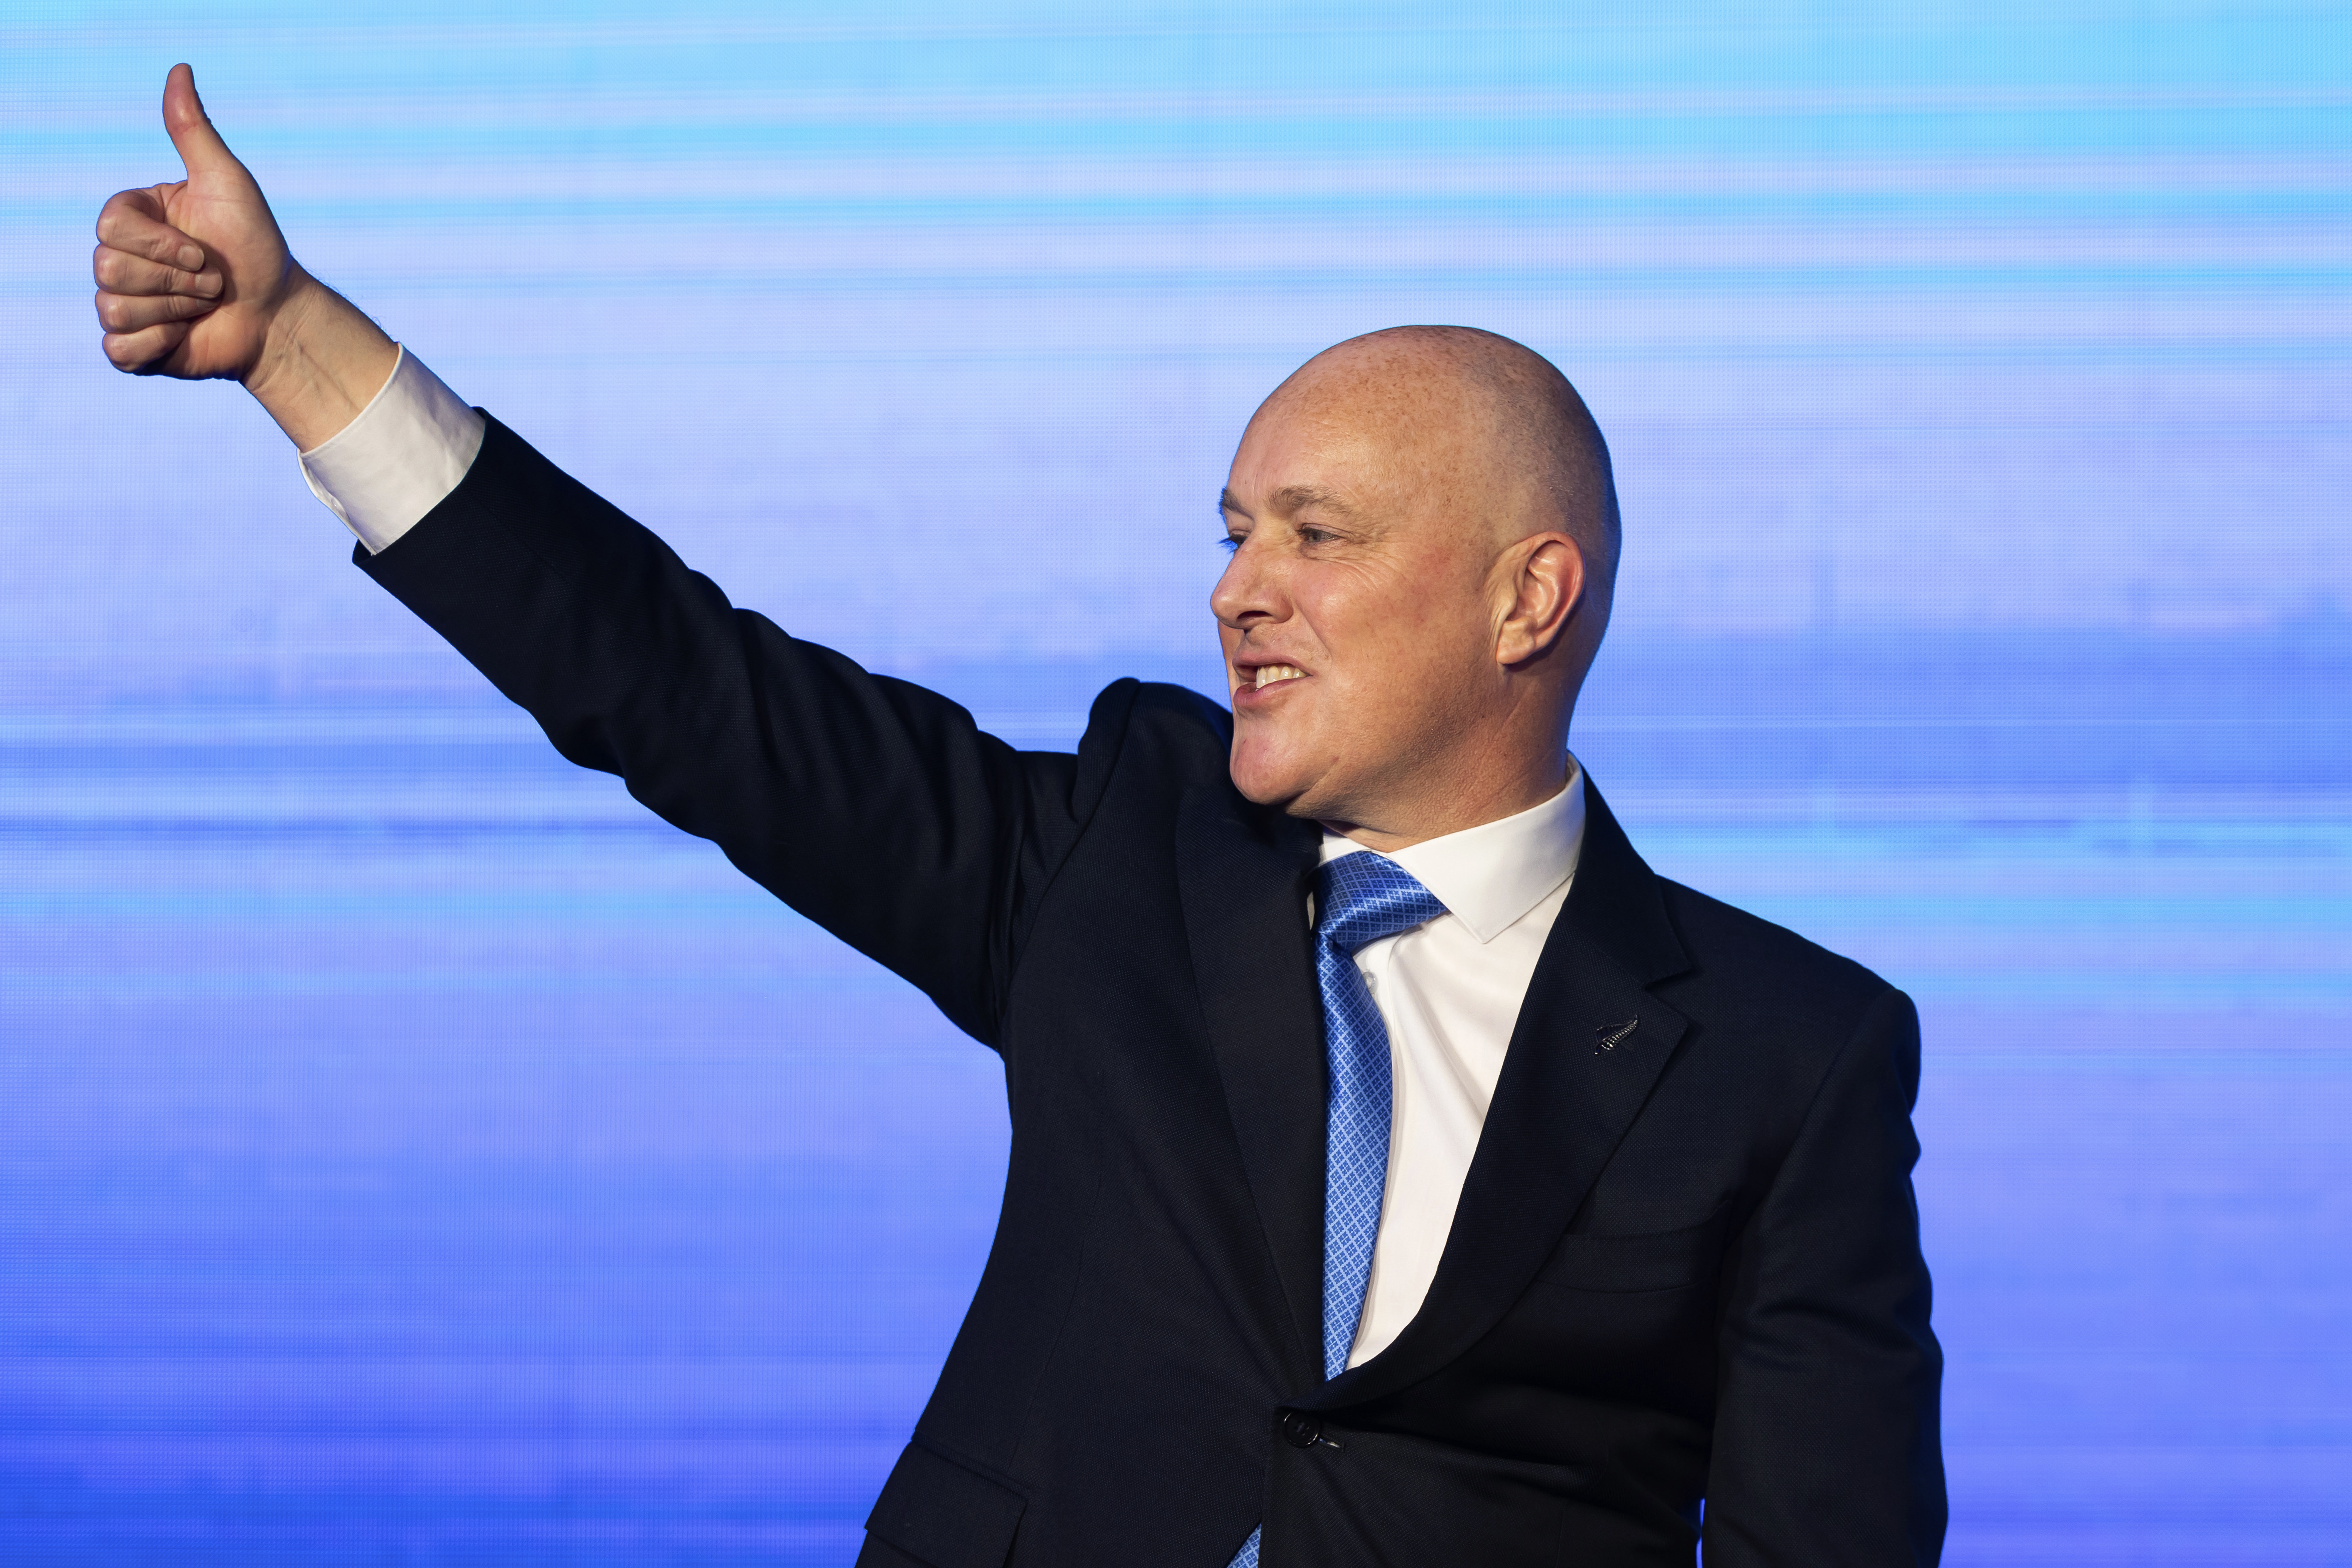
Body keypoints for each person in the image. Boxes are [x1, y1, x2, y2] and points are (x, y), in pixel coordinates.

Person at [94, 65, 1945, 1567]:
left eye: (1316, 533)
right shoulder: (1121, 855)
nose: (1238, 589)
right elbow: (680, 685)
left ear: (1525, 600)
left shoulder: (1789, 1052)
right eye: (1234, 530)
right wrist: (292, 344)